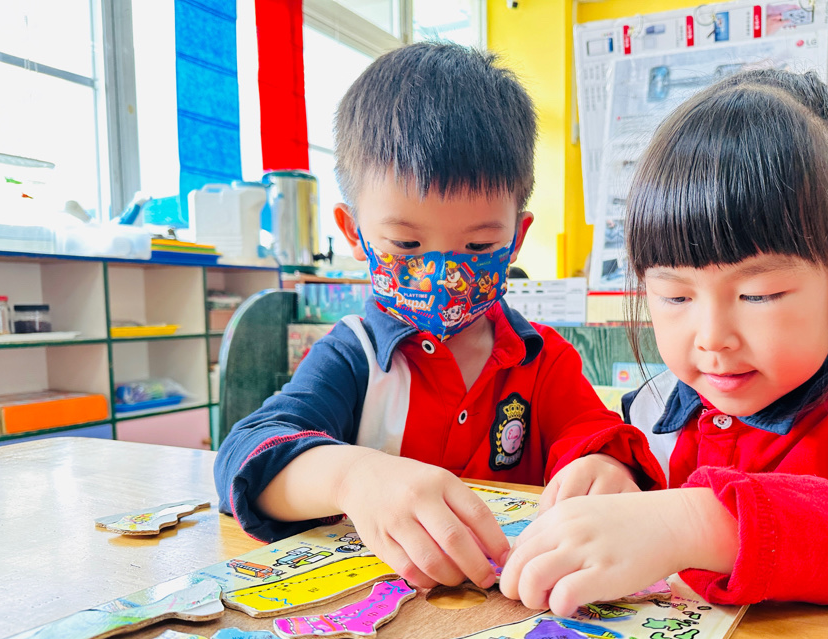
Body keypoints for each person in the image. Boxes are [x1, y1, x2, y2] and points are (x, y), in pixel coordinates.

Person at [500, 69, 828, 617]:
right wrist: (618, 474)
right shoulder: (667, 406)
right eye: (675, 296)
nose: (712, 338)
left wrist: (702, 523)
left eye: (760, 294)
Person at [215, 43, 659, 593]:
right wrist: (352, 477)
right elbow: (245, 456)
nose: (441, 276)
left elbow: (597, 438)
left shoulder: (541, 360)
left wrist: (607, 470)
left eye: (479, 246)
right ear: (354, 232)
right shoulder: (353, 356)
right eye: (406, 244)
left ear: (517, 238)